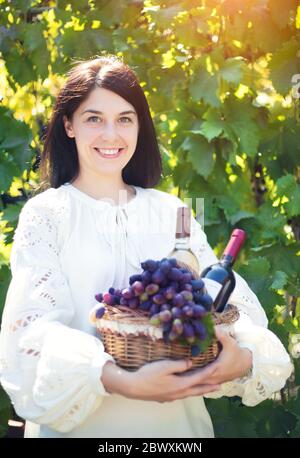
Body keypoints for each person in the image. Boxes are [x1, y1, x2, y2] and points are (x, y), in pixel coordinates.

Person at [0, 55, 293, 438]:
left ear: (140, 126)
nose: (111, 134)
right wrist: (120, 380)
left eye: (125, 118)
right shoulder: (47, 214)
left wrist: (243, 360)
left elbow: (231, 311)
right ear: (68, 125)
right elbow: (29, 337)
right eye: (94, 119)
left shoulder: (174, 212)